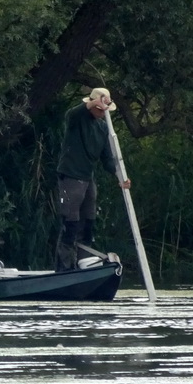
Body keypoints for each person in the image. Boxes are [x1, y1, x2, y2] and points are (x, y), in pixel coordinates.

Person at [54, 87, 131, 271]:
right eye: (99, 109)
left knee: (88, 220)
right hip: (71, 176)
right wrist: (91, 104)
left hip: (88, 179)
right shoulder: (78, 119)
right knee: (70, 222)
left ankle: (83, 263)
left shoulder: (103, 128)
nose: (102, 113)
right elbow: (70, 115)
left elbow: (107, 158)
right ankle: (64, 268)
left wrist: (121, 177)